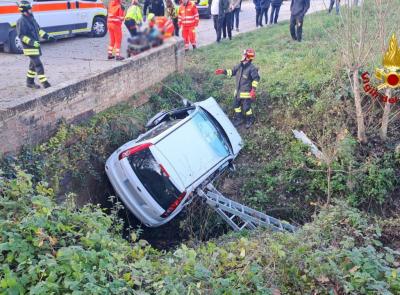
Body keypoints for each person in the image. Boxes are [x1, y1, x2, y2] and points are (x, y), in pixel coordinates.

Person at [214, 48, 260, 128]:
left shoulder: (252, 68)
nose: (242, 56)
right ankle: (240, 119)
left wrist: (253, 90)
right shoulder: (240, 66)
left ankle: (250, 119)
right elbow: (232, 72)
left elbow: (256, 79)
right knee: (235, 106)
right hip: (238, 93)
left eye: (244, 55)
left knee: (246, 108)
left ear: (247, 57)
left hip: (246, 94)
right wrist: (223, 71)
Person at [16, 0, 55, 89]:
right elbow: (21, 36)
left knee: (33, 65)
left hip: (35, 47)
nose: (31, 10)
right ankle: (45, 83)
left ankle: (29, 82)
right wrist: (32, 42)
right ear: (25, 10)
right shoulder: (21, 21)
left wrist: (48, 36)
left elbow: (39, 30)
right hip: (29, 48)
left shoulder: (31, 18)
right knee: (38, 64)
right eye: (30, 9)